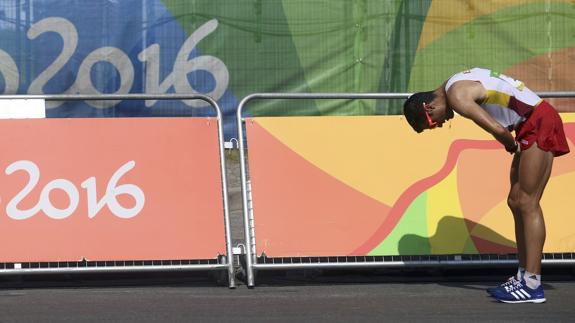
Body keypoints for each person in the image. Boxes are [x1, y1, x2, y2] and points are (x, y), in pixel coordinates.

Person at [403, 67, 570, 303]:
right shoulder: (454, 82)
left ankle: (532, 284)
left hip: (538, 121)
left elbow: (498, 129)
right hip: (529, 123)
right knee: (515, 201)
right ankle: (523, 276)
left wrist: (511, 146)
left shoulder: (457, 96)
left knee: (527, 202)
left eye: (432, 124)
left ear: (428, 108)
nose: (439, 126)